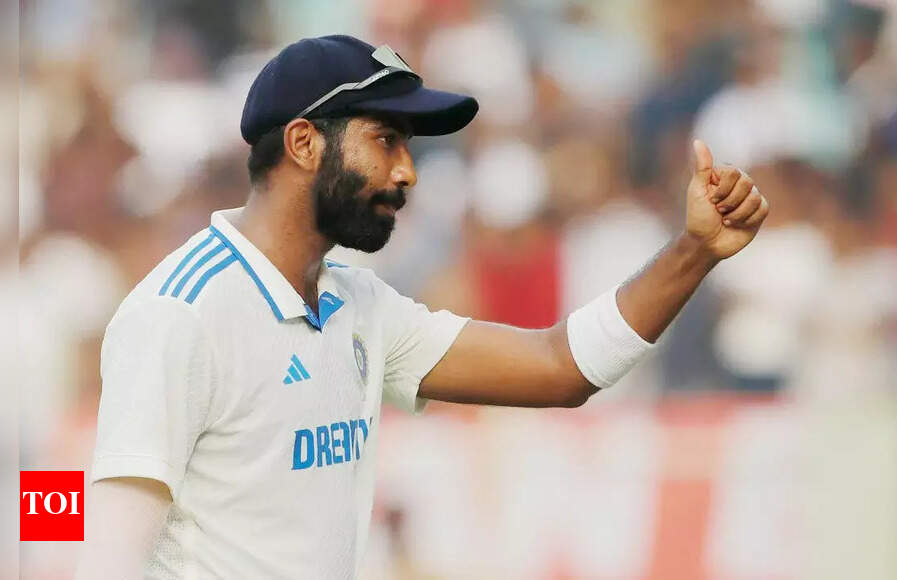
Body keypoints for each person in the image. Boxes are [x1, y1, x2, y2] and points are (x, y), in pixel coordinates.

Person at [76, 35, 769, 579]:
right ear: (303, 143)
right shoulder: (180, 313)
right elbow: (104, 554)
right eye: (385, 140)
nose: (406, 171)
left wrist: (695, 250)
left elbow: (560, 366)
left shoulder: (355, 302)